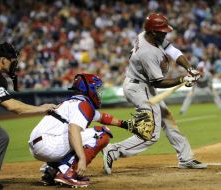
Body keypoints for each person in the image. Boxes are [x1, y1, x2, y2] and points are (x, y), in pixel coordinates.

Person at [102, 12, 207, 175]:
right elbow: (157, 82)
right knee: (150, 133)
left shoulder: (147, 35)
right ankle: (113, 150)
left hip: (141, 85)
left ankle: (186, 158)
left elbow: (172, 50)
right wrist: (182, 80)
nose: (165, 33)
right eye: (162, 31)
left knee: (167, 118)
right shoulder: (147, 52)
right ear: (153, 32)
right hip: (139, 89)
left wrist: (189, 68)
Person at [28, 73, 131, 188]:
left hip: (38, 144)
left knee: (79, 137)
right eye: (96, 88)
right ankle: (69, 174)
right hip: (49, 145)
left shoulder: (73, 102)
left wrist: (127, 125)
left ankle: (51, 171)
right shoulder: (83, 104)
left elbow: (103, 118)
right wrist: (82, 158)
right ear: (88, 89)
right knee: (102, 133)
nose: (99, 92)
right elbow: (73, 130)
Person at [0, 42, 57, 190]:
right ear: (4, 60)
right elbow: (13, 106)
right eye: (12, 60)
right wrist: (40, 108)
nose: (14, 64)